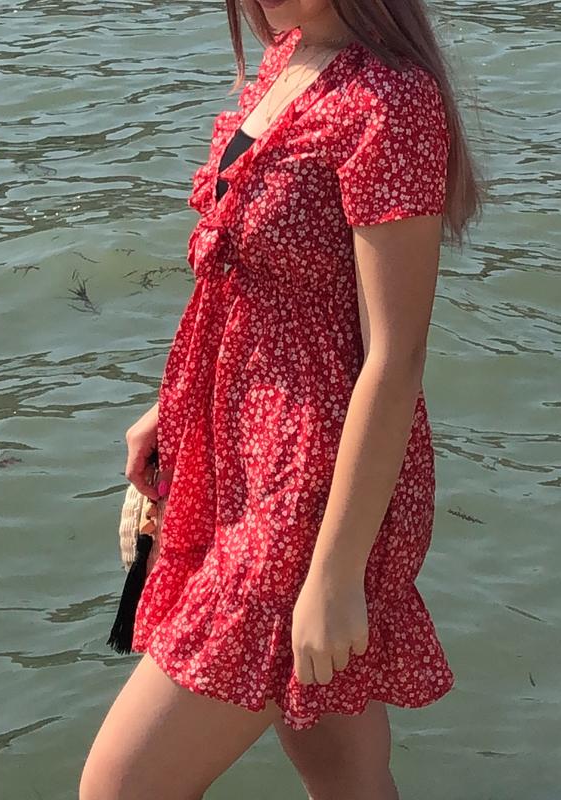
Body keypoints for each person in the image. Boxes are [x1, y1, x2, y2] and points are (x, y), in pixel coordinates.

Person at [80, 0, 482, 797]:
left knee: (120, 790)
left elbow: (395, 356)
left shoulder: (389, 101)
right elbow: (255, 279)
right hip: (240, 449)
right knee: (346, 776)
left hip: (307, 491)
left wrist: (334, 573)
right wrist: (174, 407)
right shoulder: (292, 54)